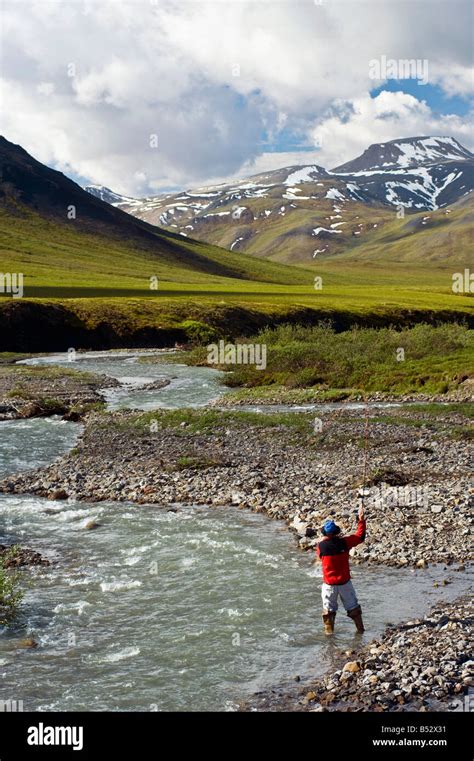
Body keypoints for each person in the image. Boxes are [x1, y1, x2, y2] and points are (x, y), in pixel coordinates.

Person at [316, 505, 366, 634]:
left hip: (329, 585)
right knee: (354, 608)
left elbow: (320, 556)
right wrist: (361, 519)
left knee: (328, 612)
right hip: (344, 583)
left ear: (325, 534)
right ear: (337, 532)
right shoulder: (345, 543)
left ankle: (329, 636)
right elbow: (360, 537)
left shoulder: (321, 546)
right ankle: (360, 632)